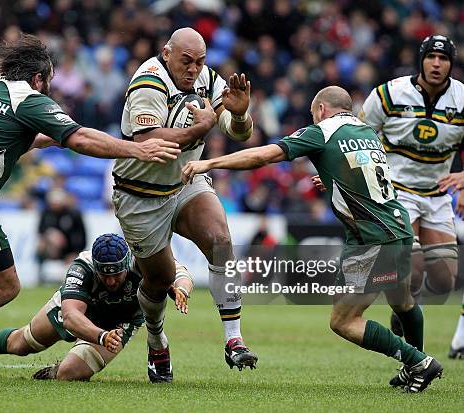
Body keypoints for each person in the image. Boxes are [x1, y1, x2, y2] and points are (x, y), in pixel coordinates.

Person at [0, 33, 180, 384]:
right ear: (38, 78)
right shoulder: (28, 98)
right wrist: (138, 149)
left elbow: (12, 135)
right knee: (5, 285)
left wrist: (56, 137)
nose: (48, 88)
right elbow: (80, 138)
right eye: (48, 82)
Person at [182, 86, 443, 393]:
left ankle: (418, 362)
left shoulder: (323, 131)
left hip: (372, 238)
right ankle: (415, 364)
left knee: (343, 320)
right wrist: (333, 177)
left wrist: (209, 163)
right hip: (400, 229)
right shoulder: (367, 132)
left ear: (321, 110)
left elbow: (263, 155)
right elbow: (366, 173)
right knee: (402, 301)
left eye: (312, 114)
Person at [111, 27, 257, 382]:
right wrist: (199, 129)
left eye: (200, 62)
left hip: (184, 182)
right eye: (186, 61)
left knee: (221, 241)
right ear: (166, 54)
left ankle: (233, 340)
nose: (194, 69)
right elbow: (148, 140)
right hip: (139, 193)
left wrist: (238, 115)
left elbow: (239, 133)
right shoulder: (149, 80)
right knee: (159, 281)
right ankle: (156, 338)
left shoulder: (208, 78)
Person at [0, 233, 194, 382]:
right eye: (105, 275)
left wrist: (182, 289)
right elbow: (71, 316)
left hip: (120, 322)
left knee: (70, 374)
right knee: (22, 344)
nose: (112, 280)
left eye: (117, 274)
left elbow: (181, 273)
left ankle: (55, 370)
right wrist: (100, 336)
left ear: (127, 264)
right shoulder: (82, 267)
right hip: (83, 312)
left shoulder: (142, 260)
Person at [357, 35, 463, 358]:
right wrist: (348, 172)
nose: (436, 64)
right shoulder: (389, 94)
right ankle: (403, 319)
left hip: (436, 193)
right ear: (421, 60)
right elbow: (359, 135)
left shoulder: (462, 99)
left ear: (450, 65)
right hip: (396, 191)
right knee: (412, 270)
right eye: (430, 57)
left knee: (445, 280)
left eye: (443, 59)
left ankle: (401, 309)